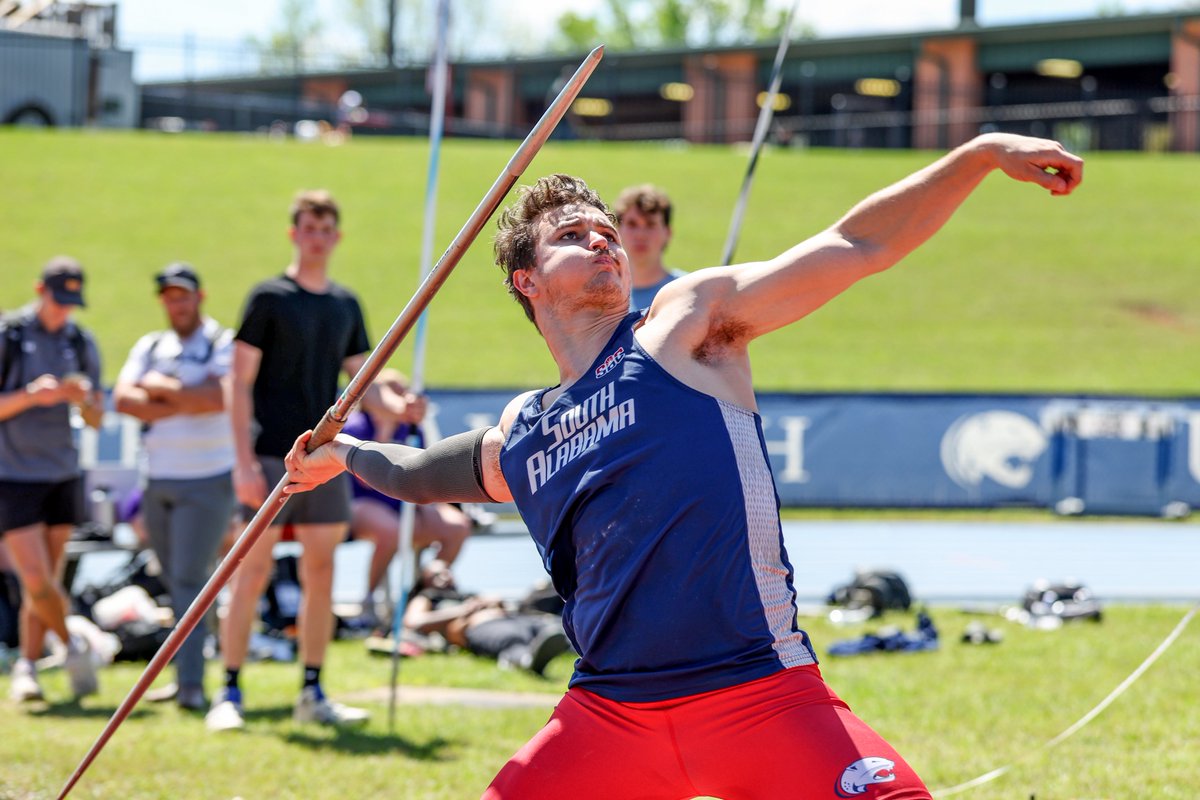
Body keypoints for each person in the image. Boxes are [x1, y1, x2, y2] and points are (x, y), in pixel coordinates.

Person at [283, 133, 1084, 799]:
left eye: (606, 230)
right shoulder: (525, 430)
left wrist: (976, 157)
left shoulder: (684, 326)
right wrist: (342, 454)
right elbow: (423, 473)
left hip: (761, 695)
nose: (603, 239)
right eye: (572, 235)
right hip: (610, 716)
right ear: (526, 282)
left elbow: (855, 244)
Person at [206, 189, 393, 732]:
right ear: (295, 233)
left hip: (324, 459)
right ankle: (230, 691)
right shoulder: (268, 297)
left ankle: (312, 689)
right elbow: (237, 385)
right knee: (252, 571)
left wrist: (399, 404)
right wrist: (241, 461)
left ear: (336, 236)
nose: (317, 236)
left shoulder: (345, 304)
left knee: (322, 571)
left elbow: (361, 381)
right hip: (269, 457)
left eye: (326, 228)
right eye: (309, 227)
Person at [112, 263, 235, 712]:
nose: (176, 304)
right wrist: (185, 398)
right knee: (176, 582)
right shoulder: (150, 344)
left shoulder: (222, 341)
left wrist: (161, 389)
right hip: (158, 478)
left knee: (189, 581)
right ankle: (191, 670)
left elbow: (217, 399)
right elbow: (124, 400)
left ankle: (191, 685)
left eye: (183, 295)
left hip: (207, 478)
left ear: (200, 297)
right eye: (168, 296)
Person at [0, 256, 104, 702]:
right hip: (13, 474)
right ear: (40, 290)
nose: (64, 311)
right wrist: (31, 396)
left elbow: (98, 419)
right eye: (58, 301)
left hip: (61, 472)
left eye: (71, 303)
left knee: (44, 584)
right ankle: (76, 645)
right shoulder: (10, 335)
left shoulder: (80, 341)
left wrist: (83, 401)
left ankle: (27, 665)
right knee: (37, 580)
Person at [343, 369, 472, 622]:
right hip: (361, 504)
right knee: (390, 530)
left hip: (403, 502)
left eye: (403, 389)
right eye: (393, 390)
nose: (402, 396)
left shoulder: (411, 429)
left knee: (457, 526)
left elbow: (419, 468)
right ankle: (368, 602)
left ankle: (423, 593)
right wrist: (385, 429)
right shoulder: (355, 427)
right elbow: (367, 480)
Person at [402, 559, 570, 675]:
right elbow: (414, 622)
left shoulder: (465, 594)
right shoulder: (428, 597)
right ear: (424, 581)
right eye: (436, 575)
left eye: (447, 572)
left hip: (514, 619)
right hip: (482, 627)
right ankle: (525, 661)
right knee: (512, 639)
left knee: (555, 629)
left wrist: (494, 602)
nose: (444, 577)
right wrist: (465, 610)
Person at [612, 184, 685, 311]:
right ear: (617, 231)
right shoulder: (603, 295)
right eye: (632, 224)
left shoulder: (687, 290)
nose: (640, 235)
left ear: (667, 233)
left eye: (650, 224)